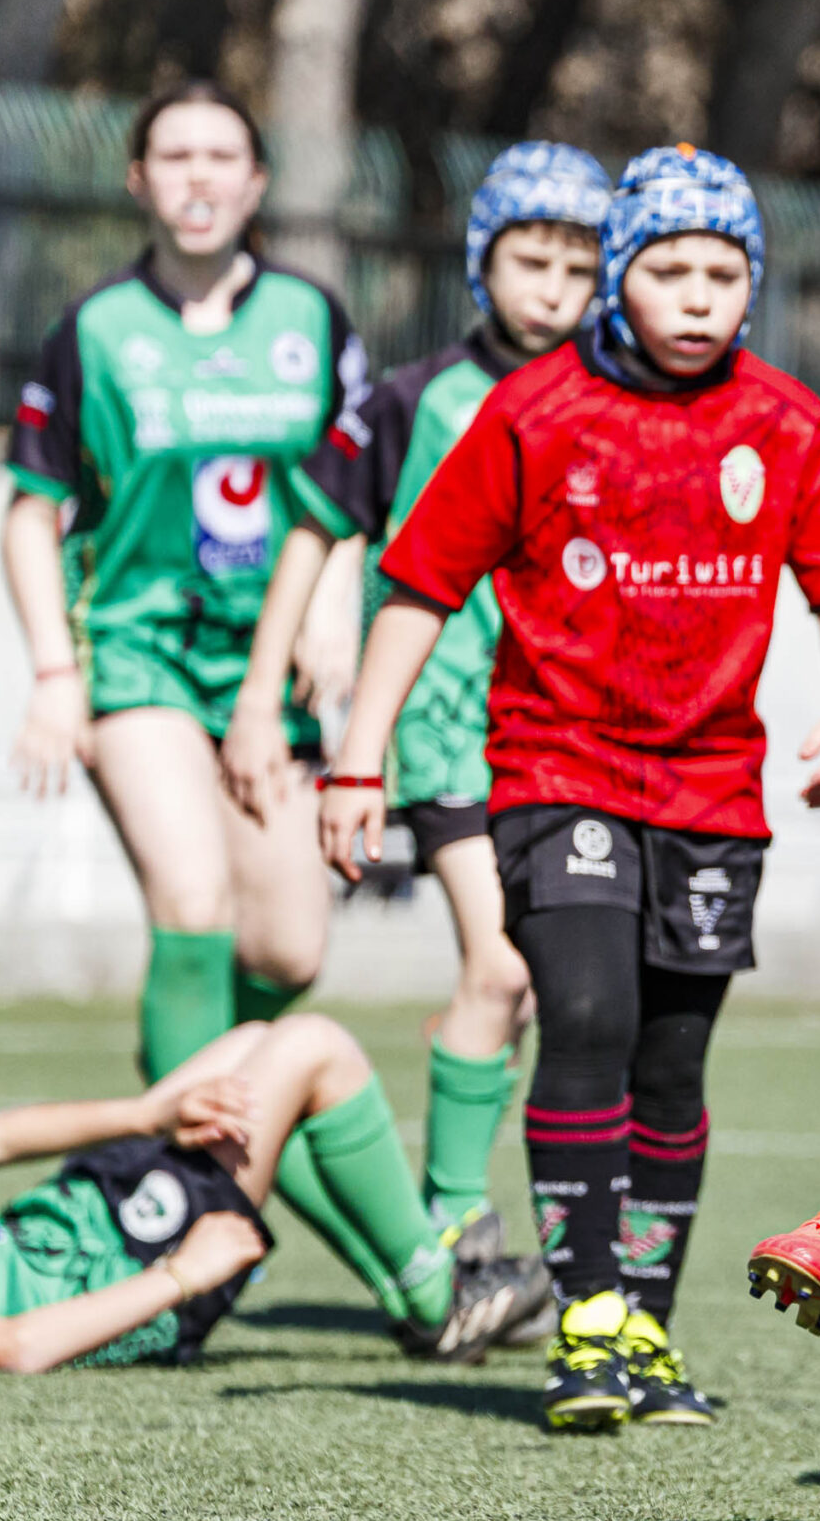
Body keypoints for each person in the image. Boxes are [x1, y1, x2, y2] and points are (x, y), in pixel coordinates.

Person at [321, 145, 820, 1432]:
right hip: (556, 770)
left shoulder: (788, 425)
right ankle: (584, 1318)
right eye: (668, 269)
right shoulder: (531, 412)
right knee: (581, 1010)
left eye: (723, 271)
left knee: (673, 1063)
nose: (697, 295)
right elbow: (415, 590)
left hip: (709, 793)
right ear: (617, 280)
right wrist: (358, 758)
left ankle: (643, 1321)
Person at [244, 143, 612, 1273]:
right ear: (480, 263)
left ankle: (458, 1189)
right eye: (529, 259)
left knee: (540, 982)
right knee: (501, 968)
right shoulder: (410, 400)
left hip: (570, 726)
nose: (553, 286)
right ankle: (454, 1218)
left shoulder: (611, 399)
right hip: (449, 728)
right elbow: (315, 522)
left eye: (576, 265)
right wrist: (271, 689)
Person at [4, 80, 366, 1084]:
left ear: (255, 183)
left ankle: (187, 1068)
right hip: (138, 649)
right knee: (195, 906)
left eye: (219, 157)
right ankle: (191, 1183)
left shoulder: (312, 317)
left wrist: (334, 601)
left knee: (288, 949)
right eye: (174, 157)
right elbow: (31, 513)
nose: (197, 177)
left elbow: (346, 497)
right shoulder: (95, 329)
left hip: (269, 667)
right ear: (138, 181)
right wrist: (51, 673)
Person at [0, 1014, 548, 1372]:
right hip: (118, 1271)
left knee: (251, 1043)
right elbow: (16, 1346)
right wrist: (178, 1276)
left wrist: (148, 1113)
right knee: (314, 1047)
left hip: (76, 1211)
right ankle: (438, 1300)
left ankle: (419, 1292)